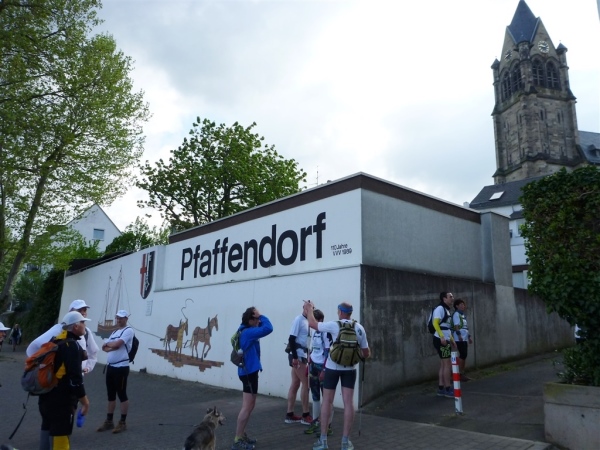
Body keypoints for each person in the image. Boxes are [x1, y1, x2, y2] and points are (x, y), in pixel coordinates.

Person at [304, 301, 370, 450]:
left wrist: (309, 309)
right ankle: (345, 442)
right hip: (350, 369)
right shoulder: (359, 328)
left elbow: (313, 324)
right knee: (348, 403)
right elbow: (366, 353)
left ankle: (323, 440)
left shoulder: (334, 325)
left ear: (340, 312)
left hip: (332, 368)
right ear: (350, 313)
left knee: (327, 401)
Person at [38, 311, 91, 450]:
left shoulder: (54, 340)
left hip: (46, 396)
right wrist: (85, 402)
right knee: (61, 434)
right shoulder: (71, 345)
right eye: (83, 322)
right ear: (75, 326)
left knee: (47, 428)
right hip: (62, 401)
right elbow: (75, 379)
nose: (85, 325)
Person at [231, 307, 273, 450]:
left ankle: (241, 434)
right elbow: (268, 328)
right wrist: (262, 316)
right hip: (248, 373)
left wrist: (257, 318)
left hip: (249, 372)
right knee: (247, 407)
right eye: (256, 319)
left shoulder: (244, 330)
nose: (258, 321)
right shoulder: (248, 333)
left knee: (250, 405)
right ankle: (237, 440)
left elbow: (261, 328)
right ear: (250, 320)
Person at [27, 299, 99, 375]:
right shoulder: (59, 329)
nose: (83, 313)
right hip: (59, 377)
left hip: (77, 376)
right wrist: (41, 366)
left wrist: (88, 367)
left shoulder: (86, 331)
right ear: (70, 312)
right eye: (79, 310)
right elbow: (34, 346)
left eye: (84, 310)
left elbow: (93, 352)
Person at [96, 310, 134, 434]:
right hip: (111, 367)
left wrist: (109, 344)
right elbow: (104, 348)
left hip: (121, 367)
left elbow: (117, 344)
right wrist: (110, 345)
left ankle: (122, 422)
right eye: (117, 318)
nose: (118, 320)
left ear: (126, 319)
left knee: (122, 394)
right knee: (110, 395)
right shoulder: (114, 332)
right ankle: (109, 421)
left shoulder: (128, 331)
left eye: (121, 318)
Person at [304, 309, 333, 436]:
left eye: (312, 319)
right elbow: (312, 350)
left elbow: (327, 352)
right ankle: (316, 422)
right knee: (315, 396)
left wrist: (324, 370)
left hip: (322, 367)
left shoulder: (325, 332)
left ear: (319, 320)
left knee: (327, 398)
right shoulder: (313, 331)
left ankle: (328, 425)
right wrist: (308, 365)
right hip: (313, 367)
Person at [285, 301, 312, 425]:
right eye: (308, 308)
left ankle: (289, 414)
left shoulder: (307, 321)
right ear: (304, 308)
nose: (310, 310)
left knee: (295, 384)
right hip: (298, 355)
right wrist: (295, 357)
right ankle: (305, 414)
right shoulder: (298, 320)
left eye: (312, 308)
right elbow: (292, 338)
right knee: (306, 384)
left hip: (302, 355)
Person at [432, 291, 456, 398]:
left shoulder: (446, 309)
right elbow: (435, 323)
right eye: (450, 296)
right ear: (444, 298)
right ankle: (447, 388)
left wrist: (452, 339)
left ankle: (441, 388)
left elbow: (446, 327)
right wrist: (442, 337)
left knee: (443, 364)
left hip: (443, 339)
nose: (452, 298)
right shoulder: (440, 309)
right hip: (441, 340)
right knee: (447, 364)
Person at [451, 298, 473, 382]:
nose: (463, 306)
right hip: (459, 338)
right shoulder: (456, 314)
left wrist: (469, 337)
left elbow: (465, 327)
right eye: (461, 305)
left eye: (463, 304)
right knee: (463, 354)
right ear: (457, 306)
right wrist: (459, 335)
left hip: (464, 337)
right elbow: (456, 326)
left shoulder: (462, 315)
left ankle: (461, 373)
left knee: (464, 355)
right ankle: (458, 373)